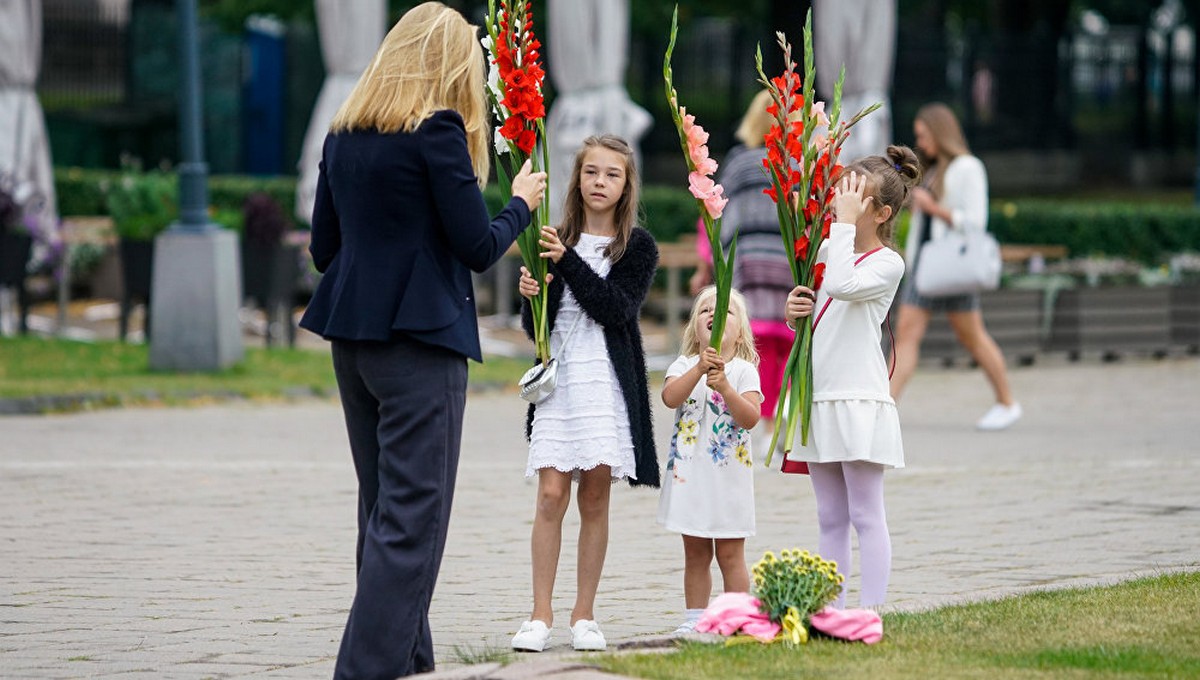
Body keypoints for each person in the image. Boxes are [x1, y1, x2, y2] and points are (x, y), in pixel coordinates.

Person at [298, 4, 547, 678]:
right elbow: (476, 246)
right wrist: (519, 200)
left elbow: (323, 251)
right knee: (413, 517)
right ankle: (366, 668)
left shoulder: (343, 135)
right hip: (419, 341)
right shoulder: (438, 132)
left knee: (384, 506)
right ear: (451, 63)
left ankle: (409, 657)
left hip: (352, 338)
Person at [511, 135, 659, 653]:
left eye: (611, 174)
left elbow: (615, 309)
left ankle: (584, 615)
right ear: (577, 179)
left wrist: (566, 263)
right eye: (591, 172)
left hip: (607, 382)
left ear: (626, 184)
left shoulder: (636, 246)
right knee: (552, 494)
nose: (599, 182)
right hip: (562, 381)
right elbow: (539, 331)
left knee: (595, 496)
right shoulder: (552, 236)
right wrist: (530, 294)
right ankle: (538, 614)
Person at [782, 146, 920, 610]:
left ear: (881, 213)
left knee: (865, 512)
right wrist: (794, 312)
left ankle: (870, 611)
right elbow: (823, 307)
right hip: (821, 396)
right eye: (841, 188)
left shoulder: (888, 263)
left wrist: (840, 227)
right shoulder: (828, 248)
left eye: (854, 195)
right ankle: (832, 608)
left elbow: (842, 285)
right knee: (829, 516)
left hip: (858, 398)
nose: (840, 199)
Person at [890, 103, 1021, 431]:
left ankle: (1007, 402)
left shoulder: (967, 167)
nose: (921, 143)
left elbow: (975, 222)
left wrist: (933, 208)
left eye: (924, 135)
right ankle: (885, 406)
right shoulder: (936, 169)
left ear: (940, 132)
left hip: (949, 267)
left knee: (971, 336)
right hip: (927, 268)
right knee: (908, 335)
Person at [688, 90, 795, 451]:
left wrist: (708, 264)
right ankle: (783, 413)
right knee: (788, 339)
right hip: (788, 263)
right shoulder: (798, 164)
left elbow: (714, 214)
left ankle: (764, 425)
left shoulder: (739, 162)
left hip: (748, 263)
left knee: (759, 342)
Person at [657, 286, 762, 635]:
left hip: (728, 480)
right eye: (704, 310)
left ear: (741, 331)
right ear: (694, 327)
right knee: (696, 553)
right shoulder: (683, 364)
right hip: (691, 479)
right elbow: (670, 397)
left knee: (730, 553)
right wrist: (699, 369)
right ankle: (695, 620)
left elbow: (750, 418)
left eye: (725, 312)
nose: (713, 315)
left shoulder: (745, 371)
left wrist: (726, 388)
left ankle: (739, 618)